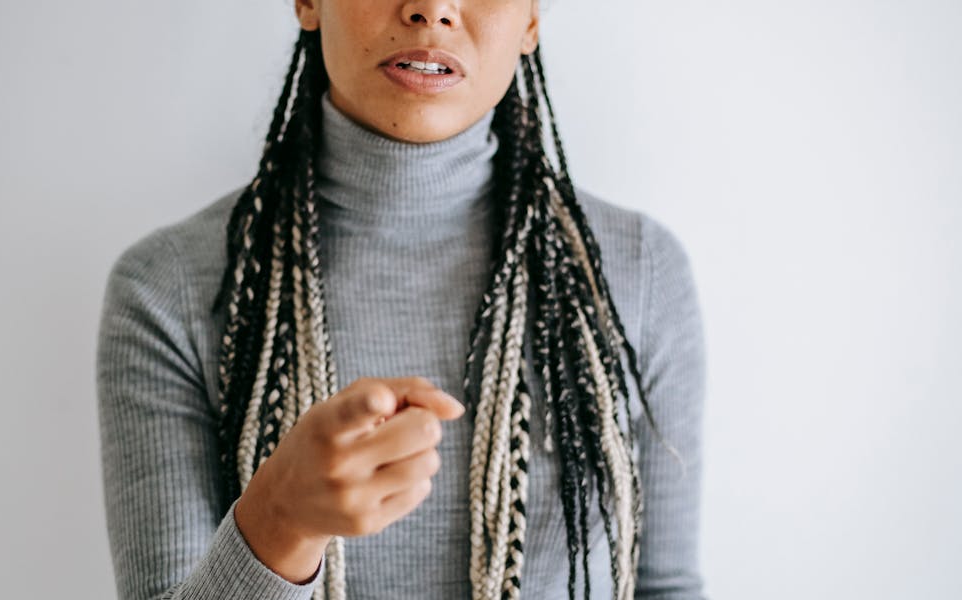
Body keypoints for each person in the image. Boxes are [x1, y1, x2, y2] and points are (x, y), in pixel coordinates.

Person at [95, 1, 707, 599]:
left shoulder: (638, 273)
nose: (433, 9)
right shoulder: (167, 289)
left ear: (531, 19)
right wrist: (280, 520)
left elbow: (665, 587)